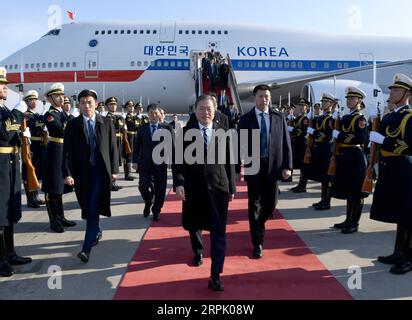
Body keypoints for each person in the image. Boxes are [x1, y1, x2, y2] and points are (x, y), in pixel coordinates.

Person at [173, 94, 236, 291]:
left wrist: (232, 188)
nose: (205, 112)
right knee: (194, 225)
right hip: (194, 189)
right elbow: (178, 164)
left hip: (219, 189)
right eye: (201, 108)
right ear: (195, 110)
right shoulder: (184, 134)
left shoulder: (224, 132)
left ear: (215, 110)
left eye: (209, 108)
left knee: (219, 234)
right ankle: (198, 250)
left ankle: (215, 275)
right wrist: (179, 184)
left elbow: (230, 163)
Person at [63, 90, 119, 263]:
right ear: (78, 105)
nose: (86, 106)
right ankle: (96, 230)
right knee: (87, 207)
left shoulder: (106, 122)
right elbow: (66, 152)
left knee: (93, 206)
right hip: (81, 173)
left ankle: (86, 249)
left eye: (89, 102)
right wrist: (67, 173)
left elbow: (113, 148)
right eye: (82, 103)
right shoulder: (73, 125)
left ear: (96, 103)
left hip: (100, 172)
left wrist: (114, 170)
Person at [237, 85, 293, 259]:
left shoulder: (278, 117)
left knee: (270, 203)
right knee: (254, 203)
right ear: (255, 97)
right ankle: (257, 241)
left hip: (273, 166)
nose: (264, 99)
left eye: (267, 96)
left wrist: (288, 166)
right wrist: (238, 165)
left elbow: (286, 142)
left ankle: (258, 224)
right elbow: (239, 144)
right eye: (261, 96)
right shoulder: (246, 119)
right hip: (254, 166)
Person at [369, 73, 412, 275]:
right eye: (392, 89)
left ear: (407, 93)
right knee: (399, 214)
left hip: (404, 172)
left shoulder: (409, 117)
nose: (392, 92)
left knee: (407, 216)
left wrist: (384, 140)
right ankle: (398, 251)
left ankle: (408, 257)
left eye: (396, 90)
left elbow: (409, 147)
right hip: (391, 170)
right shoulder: (392, 115)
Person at [0, 67, 32, 277]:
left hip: (10, 163)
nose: (5, 88)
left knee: (10, 211)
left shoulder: (3, 109)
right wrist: (18, 113)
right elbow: (3, 134)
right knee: (0, 213)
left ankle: (10, 252)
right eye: (2, 85)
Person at [331, 87, 369, 234]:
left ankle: (355, 222)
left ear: (359, 100)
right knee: (349, 190)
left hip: (355, 156)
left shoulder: (360, 119)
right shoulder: (347, 117)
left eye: (351, 98)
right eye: (347, 98)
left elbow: (360, 139)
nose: (348, 100)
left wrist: (340, 135)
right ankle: (348, 220)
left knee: (357, 191)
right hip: (346, 155)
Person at [42, 83, 77, 233]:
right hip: (55, 150)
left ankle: (61, 216)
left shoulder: (63, 114)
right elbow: (61, 130)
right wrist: (70, 119)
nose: (61, 98)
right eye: (57, 96)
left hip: (64, 150)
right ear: (50, 98)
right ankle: (53, 220)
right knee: (52, 187)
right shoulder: (50, 115)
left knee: (60, 186)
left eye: (62, 95)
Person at [132, 104, 173, 222]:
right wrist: (135, 161)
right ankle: (148, 200)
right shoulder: (142, 128)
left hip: (161, 164)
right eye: (151, 113)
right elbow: (137, 146)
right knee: (143, 186)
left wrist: (171, 159)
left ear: (160, 114)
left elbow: (172, 145)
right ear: (148, 114)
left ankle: (156, 210)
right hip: (145, 163)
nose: (154, 115)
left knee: (160, 190)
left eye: (156, 113)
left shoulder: (167, 128)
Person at [306, 93, 336, 211]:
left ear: (331, 104)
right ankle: (323, 199)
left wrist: (313, 132)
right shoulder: (321, 117)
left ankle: (327, 201)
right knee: (323, 177)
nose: (323, 104)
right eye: (322, 101)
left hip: (325, 148)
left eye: (325, 102)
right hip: (319, 147)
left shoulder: (330, 119)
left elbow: (327, 136)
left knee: (327, 177)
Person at [22, 90, 46, 208]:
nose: (34, 102)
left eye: (35, 100)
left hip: (39, 146)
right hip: (30, 145)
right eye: (31, 100)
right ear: (26, 102)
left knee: (35, 172)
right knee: (28, 172)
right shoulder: (25, 115)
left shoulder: (37, 115)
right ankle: (30, 199)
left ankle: (36, 196)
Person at [289, 98, 310, 192]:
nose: (301, 107)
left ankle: (303, 186)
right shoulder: (299, 117)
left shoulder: (306, 118)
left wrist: (292, 129)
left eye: (303, 106)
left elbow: (303, 131)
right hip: (297, 142)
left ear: (307, 107)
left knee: (303, 165)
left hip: (302, 142)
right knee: (299, 164)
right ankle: (300, 184)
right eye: (300, 106)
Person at [105, 97, 123, 191]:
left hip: (118, 139)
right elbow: (117, 125)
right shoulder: (108, 117)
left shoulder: (116, 117)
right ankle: (110, 183)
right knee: (112, 159)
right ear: (107, 106)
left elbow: (121, 126)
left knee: (116, 159)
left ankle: (114, 182)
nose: (113, 106)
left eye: (115, 104)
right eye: (111, 104)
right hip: (112, 139)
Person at [124, 100, 137, 181]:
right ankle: (127, 174)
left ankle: (130, 173)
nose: (131, 108)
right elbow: (134, 125)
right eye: (129, 106)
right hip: (129, 137)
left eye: (132, 106)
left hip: (135, 136)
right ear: (126, 108)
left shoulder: (135, 117)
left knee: (134, 154)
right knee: (128, 156)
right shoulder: (128, 117)